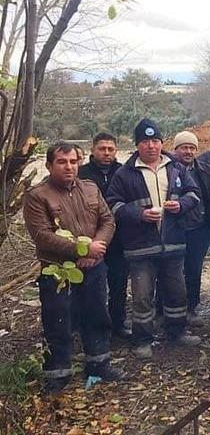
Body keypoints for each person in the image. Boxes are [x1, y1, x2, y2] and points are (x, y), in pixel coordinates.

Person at [23, 142, 125, 394]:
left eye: (73, 161)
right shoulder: (38, 196)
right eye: (62, 162)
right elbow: (42, 235)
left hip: (94, 267)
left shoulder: (90, 189)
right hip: (57, 271)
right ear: (49, 165)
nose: (69, 167)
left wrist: (97, 247)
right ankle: (58, 374)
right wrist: (81, 250)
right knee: (59, 321)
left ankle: (99, 364)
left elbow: (107, 220)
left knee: (97, 316)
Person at [106, 118, 202, 359]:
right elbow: (112, 204)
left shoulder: (176, 168)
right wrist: (139, 214)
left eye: (155, 141)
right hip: (140, 248)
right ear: (138, 145)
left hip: (173, 244)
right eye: (145, 142)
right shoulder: (124, 173)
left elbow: (194, 194)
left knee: (177, 292)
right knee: (142, 297)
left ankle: (176, 332)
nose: (151, 146)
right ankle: (142, 340)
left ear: (162, 143)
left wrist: (180, 205)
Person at [78, 132, 128, 338]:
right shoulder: (81, 174)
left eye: (110, 149)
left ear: (116, 150)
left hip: (118, 239)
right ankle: (90, 329)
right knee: (89, 286)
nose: (106, 153)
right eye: (102, 149)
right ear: (93, 150)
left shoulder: (124, 172)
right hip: (88, 240)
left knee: (119, 283)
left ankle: (118, 324)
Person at [172, 131, 210, 326]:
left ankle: (191, 307)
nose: (188, 151)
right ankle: (164, 308)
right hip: (174, 228)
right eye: (184, 147)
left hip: (199, 229)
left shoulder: (205, 170)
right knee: (170, 271)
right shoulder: (168, 169)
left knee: (194, 270)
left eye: (192, 148)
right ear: (176, 149)